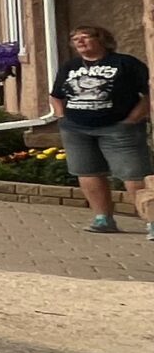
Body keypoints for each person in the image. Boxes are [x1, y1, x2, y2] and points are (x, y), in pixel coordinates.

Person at [49, 24, 153, 236]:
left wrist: (133, 118)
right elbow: (56, 94)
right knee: (87, 172)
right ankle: (103, 218)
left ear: (102, 40)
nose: (80, 41)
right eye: (75, 38)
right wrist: (62, 116)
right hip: (77, 129)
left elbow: (149, 91)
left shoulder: (125, 63)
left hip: (119, 128)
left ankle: (151, 221)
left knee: (134, 175)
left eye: (85, 37)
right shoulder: (70, 66)